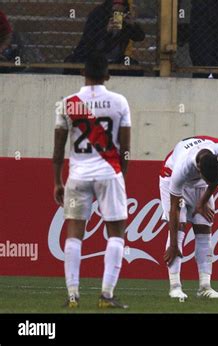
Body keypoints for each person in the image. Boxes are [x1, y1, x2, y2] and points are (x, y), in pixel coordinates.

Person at [53, 52, 131, 309]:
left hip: (78, 175)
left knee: (74, 234)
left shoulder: (67, 103)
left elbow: (58, 150)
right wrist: (122, 174)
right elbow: (126, 148)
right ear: (107, 76)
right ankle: (106, 295)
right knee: (116, 233)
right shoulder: (119, 101)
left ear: (82, 74)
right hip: (109, 173)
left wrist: (57, 180)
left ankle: (73, 295)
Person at [160, 136, 218, 299]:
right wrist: (172, 245)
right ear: (199, 169)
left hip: (200, 185)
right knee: (179, 227)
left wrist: (203, 201)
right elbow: (174, 209)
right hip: (169, 177)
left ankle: (205, 287)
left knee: (204, 227)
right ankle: (175, 286)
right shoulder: (181, 168)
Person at [65, 0, 145, 65]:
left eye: (120, 12)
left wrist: (133, 25)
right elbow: (89, 40)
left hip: (115, 58)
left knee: (134, 66)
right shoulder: (98, 14)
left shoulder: (125, 22)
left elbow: (140, 37)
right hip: (93, 56)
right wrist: (106, 31)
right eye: (115, 12)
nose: (117, 15)